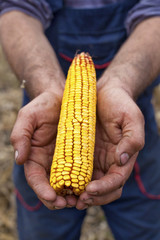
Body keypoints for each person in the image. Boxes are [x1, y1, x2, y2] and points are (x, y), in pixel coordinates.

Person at [0, 0, 160, 239]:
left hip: (125, 127)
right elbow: (17, 9)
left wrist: (121, 84)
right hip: (47, 132)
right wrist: (46, 87)